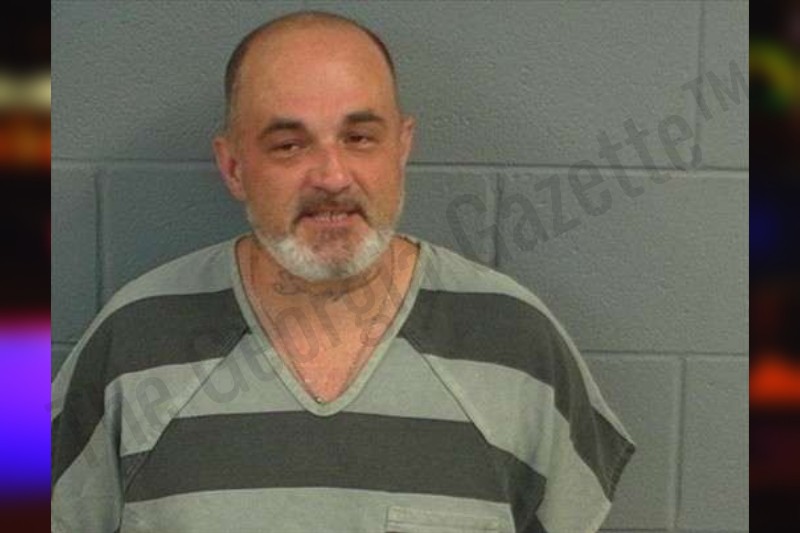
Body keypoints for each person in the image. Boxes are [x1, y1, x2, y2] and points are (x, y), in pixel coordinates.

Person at [51, 11, 634, 533]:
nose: (331, 175)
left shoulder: (518, 345)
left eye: (359, 137)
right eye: (288, 145)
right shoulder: (133, 342)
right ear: (233, 167)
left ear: (401, 148)